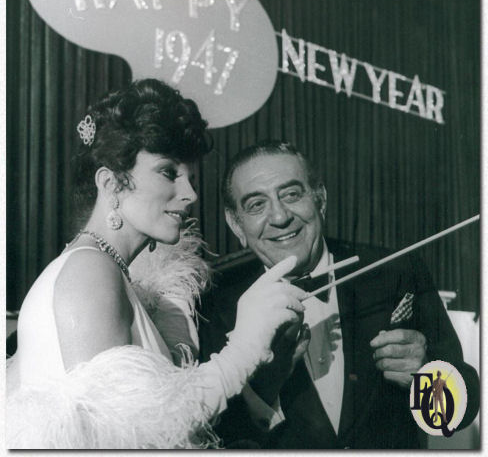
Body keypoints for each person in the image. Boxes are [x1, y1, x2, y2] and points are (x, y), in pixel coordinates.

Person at [6, 82, 308, 449]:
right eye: (168, 172)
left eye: (191, 178)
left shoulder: (103, 270)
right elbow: (128, 439)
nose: (191, 194)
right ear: (111, 183)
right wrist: (242, 349)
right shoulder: (90, 272)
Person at [199, 141, 480, 449]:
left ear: (320, 199)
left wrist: (429, 380)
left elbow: (460, 413)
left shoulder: (397, 271)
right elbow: (213, 440)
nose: (279, 217)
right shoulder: (215, 304)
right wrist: (265, 386)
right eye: (256, 204)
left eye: (291, 194)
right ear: (236, 224)